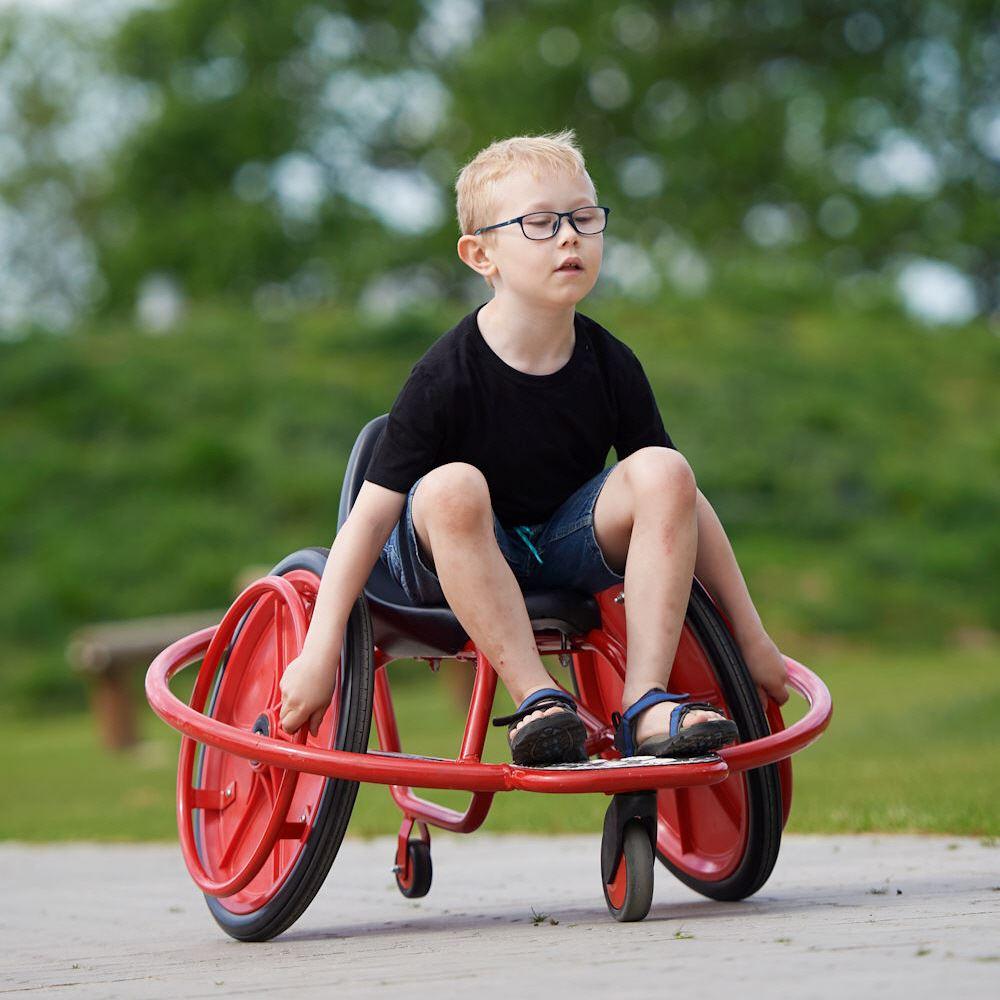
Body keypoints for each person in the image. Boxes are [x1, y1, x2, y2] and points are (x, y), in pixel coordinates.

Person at [279, 130, 789, 766]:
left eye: (582, 218)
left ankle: (645, 703)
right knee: (453, 484)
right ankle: (539, 700)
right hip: (443, 558)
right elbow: (368, 519)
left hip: (556, 547)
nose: (570, 236)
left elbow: (683, 503)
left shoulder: (611, 364)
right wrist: (319, 649)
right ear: (481, 254)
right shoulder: (444, 376)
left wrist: (753, 637)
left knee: (664, 468)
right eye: (541, 223)